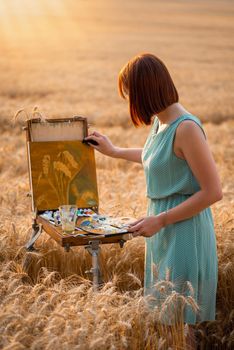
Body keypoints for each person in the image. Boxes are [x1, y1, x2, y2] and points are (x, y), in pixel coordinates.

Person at [84, 53, 222, 348]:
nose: (129, 100)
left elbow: (213, 192)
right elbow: (157, 159)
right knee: (168, 325)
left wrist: (161, 220)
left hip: (184, 232)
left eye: (130, 93)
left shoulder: (187, 128)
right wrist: (115, 151)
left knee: (180, 327)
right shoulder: (161, 124)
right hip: (162, 229)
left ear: (145, 91)